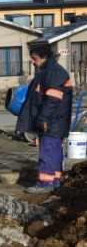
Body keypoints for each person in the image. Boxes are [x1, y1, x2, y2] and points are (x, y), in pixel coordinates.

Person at [16, 44, 72, 194]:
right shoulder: (47, 71)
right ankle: (54, 181)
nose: (32, 62)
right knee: (53, 151)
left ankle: (44, 184)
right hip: (54, 121)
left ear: (44, 57)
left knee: (47, 151)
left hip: (53, 121)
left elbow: (52, 99)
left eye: (34, 59)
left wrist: (43, 119)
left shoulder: (53, 72)